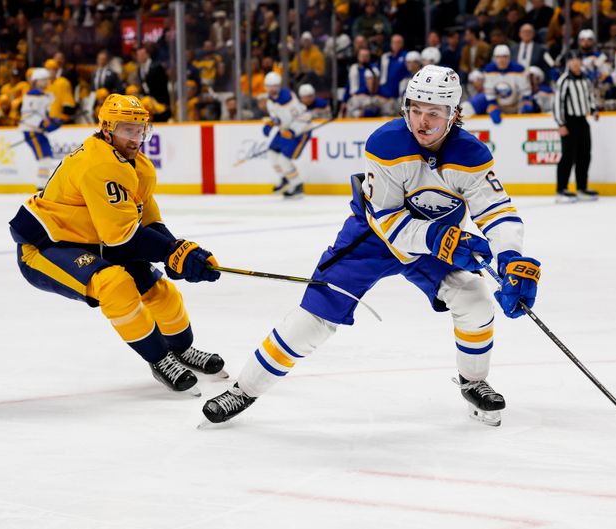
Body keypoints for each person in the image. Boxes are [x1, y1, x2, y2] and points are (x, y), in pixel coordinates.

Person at [201, 65, 540, 428]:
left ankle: (474, 382)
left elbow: (498, 211)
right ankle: (244, 389)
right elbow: (387, 220)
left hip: (435, 246)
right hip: (371, 240)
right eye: (415, 110)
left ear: (454, 115)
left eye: (434, 113)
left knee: (474, 299)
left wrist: (511, 257)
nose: (422, 122)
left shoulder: (471, 155)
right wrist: (439, 238)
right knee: (314, 318)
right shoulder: (387, 143)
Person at [8, 94, 224, 395]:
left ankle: (181, 350)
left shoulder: (138, 166)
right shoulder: (98, 164)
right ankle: (160, 360)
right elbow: (121, 235)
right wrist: (170, 253)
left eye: (140, 130)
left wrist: (178, 252)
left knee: (160, 293)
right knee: (115, 285)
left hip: (95, 239)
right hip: (46, 246)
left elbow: (147, 222)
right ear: (107, 129)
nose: (136, 138)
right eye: (127, 130)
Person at [553, 51, 599, 203]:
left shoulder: (585, 79)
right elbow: (558, 103)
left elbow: (589, 96)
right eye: (571, 60)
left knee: (584, 155)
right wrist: (561, 123)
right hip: (569, 122)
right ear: (568, 63)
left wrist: (593, 110)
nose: (575, 63)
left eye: (577, 59)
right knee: (568, 156)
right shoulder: (564, 80)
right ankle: (561, 189)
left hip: (582, 120)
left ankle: (581, 187)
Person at [263, 72, 313, 198]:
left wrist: (293, 131)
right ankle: (285, 178)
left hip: (300, 132)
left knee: (283, 160)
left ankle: (297, 185)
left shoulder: (288, 99)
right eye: (269, 86)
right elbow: (277, 116)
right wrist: (272, 123)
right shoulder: (270, 100)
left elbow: (304, 117)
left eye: (274, 86)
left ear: (279, 86)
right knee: (271, 153)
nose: (271, 89)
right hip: (285, 129)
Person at [19, 68, 60, 191]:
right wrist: (44, 123)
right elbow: (28, 115)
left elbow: (42, 114)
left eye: (47, 79)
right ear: (36, 81)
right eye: (44, 80)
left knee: (46, 158)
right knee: (45, 159)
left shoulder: (44, 95)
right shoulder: (33, 95)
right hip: (32, 130)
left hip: (37, 130)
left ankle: (42, 186)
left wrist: (51, 121)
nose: (47, 82)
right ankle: (41, 187)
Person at [483, 44, 527, 123]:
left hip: (516, 104)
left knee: (528, 108)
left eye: (504, 57)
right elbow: (489, 92)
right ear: (494, 58)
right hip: (499, 106)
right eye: (498, 57)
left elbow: (525, 90)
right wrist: (492, 104)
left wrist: (525, 101)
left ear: (509, 58)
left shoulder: (518, 69)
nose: (501, 60)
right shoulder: (489, 70)